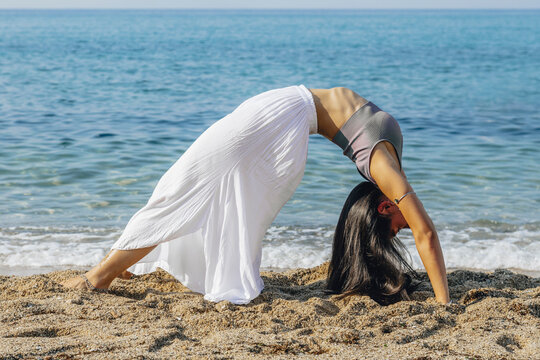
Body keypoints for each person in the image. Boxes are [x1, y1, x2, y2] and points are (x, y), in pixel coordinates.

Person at [62, 85, 450, 305]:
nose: (402, 230)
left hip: (285, 110)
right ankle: (102, 275)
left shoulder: (387, 161)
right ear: (385, 205)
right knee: (183, 188)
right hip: (282, 119)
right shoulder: (385, 169)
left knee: (186, 186)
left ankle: (109, 269)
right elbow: (426, 233)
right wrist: (443, 303)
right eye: (396, 228)